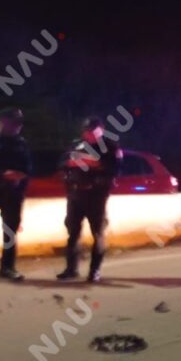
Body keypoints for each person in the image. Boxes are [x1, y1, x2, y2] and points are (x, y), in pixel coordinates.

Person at [57, 117, 121, 283]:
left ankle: (94, 271)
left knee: (97, 234)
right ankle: (71, 269)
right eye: (86, 130)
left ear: (101, 130)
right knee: (73, 234)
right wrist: (73, 163)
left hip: (96, 196)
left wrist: (89, 162)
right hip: (75, 194)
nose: (89, 133)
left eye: (93, 130)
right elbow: (63, 162)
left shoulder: (109, 146)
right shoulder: (76, 144)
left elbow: (112, 169)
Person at [0, 108, 31, 281]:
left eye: (19, 123)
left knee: (10, 232)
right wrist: (2, 174)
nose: (17, 126)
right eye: (14, 123)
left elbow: (28, 168)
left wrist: (20, 177)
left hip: (13, 194)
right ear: (3, 121)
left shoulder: (21, 143)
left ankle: (7, 268)